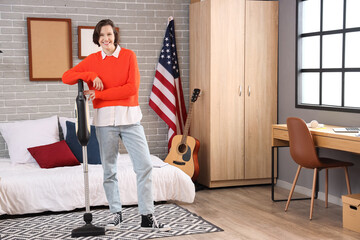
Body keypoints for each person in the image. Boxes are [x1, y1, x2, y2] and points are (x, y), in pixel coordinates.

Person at [62, 19, 171, 232]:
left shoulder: (129, 56)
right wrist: (90, 75)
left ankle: (147, 217)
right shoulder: (92, 60)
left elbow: (131, 89)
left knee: (144, 167)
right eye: (101, 35)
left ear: (115, 36)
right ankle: (116, 214)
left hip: (130, 121)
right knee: (109, 171)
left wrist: (100, 94)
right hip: (104, 124)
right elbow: (67, 76)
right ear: (97, 38)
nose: (106, 39)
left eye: (109, 34)